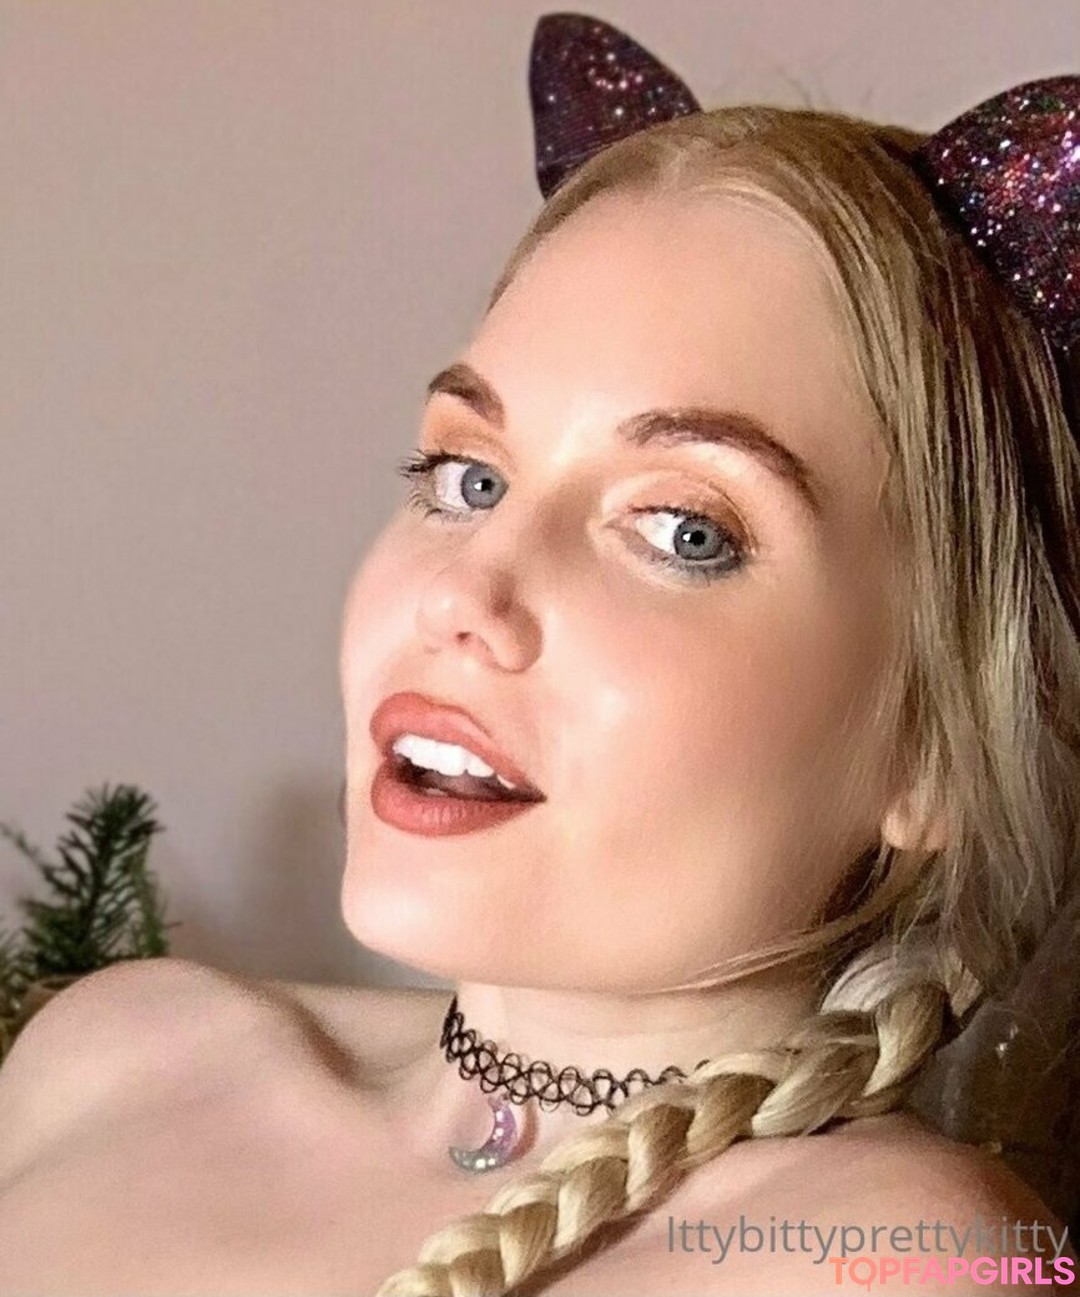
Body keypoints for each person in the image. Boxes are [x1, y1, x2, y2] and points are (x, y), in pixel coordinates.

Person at [1, 13, 1078, 1297]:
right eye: (467, 476)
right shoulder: (110, 1058)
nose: (466, 592)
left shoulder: (900, 1262)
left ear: (935, 750)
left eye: (684, 530)